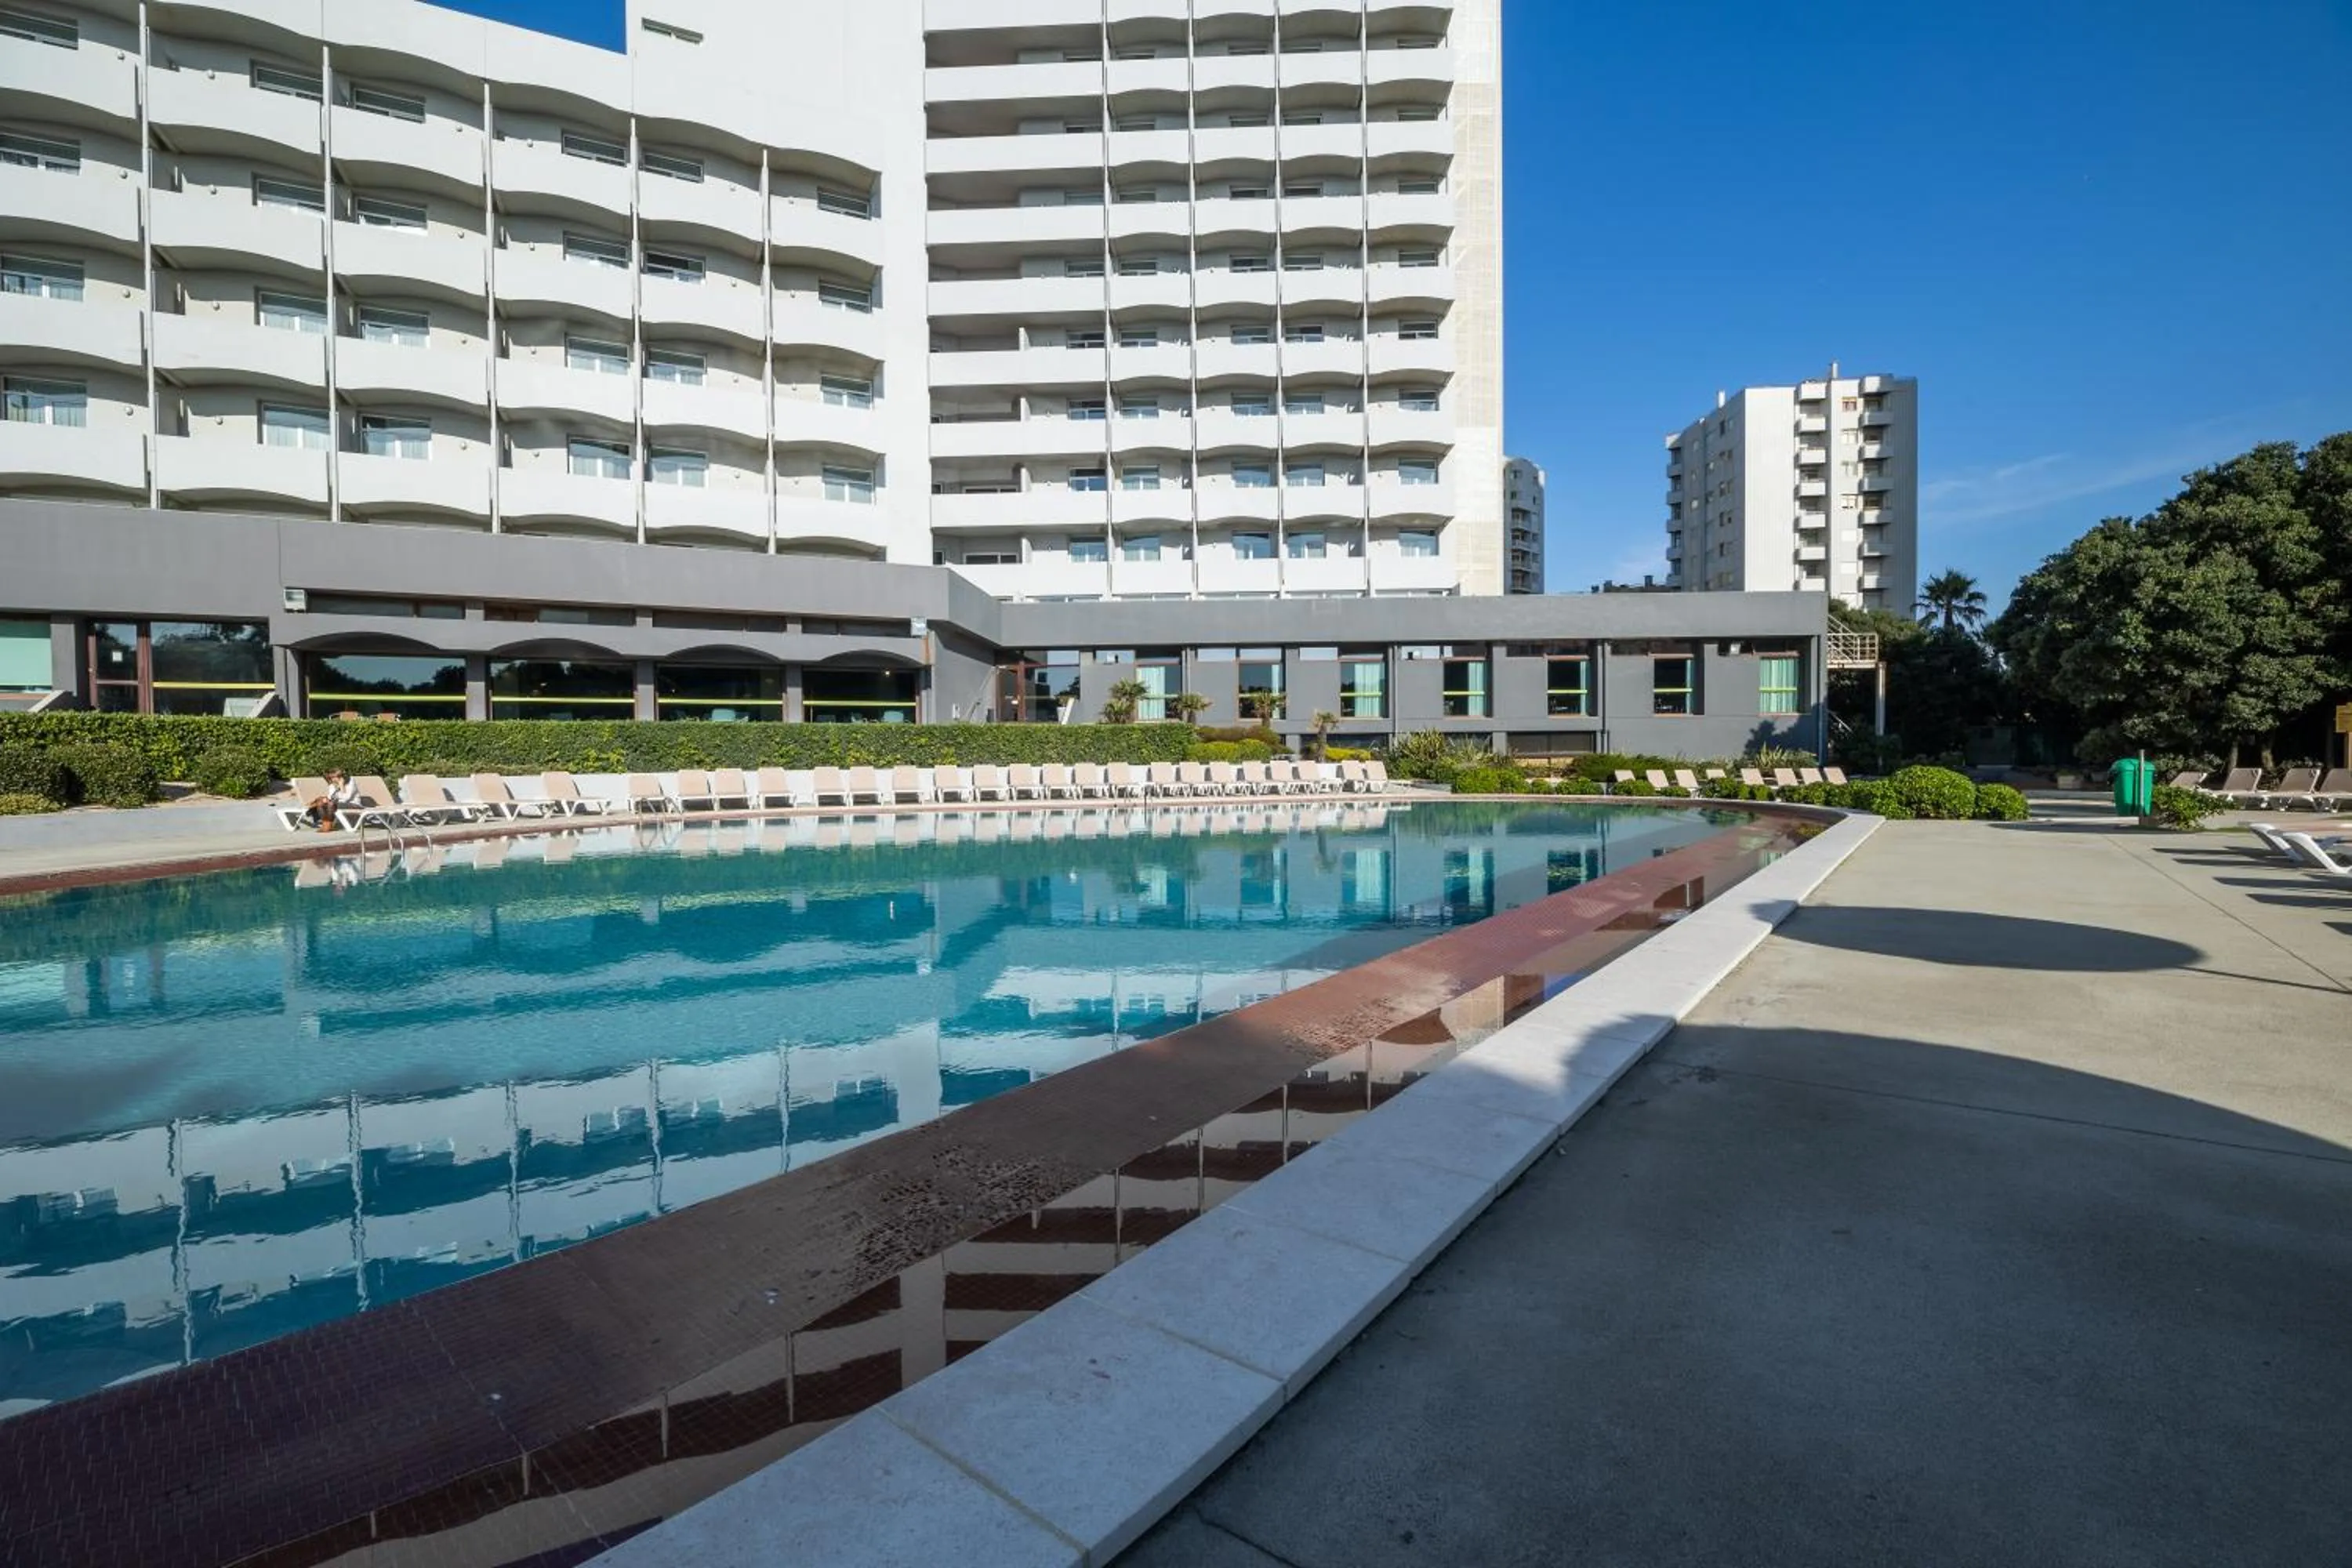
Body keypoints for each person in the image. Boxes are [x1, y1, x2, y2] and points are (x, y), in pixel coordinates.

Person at [305, 769, 358, 833]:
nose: (333, 780)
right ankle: (326, 824)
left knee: (330, 804)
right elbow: (331, 796)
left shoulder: (351, 781)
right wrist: (326, 799)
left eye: (334, 777)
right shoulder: (333, 784)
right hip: (337, 804)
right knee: (321, 803)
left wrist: (341, 785)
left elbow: (347, 798)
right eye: (331, 778)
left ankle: (328, 825)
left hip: (353, 804)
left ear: (341, 776)